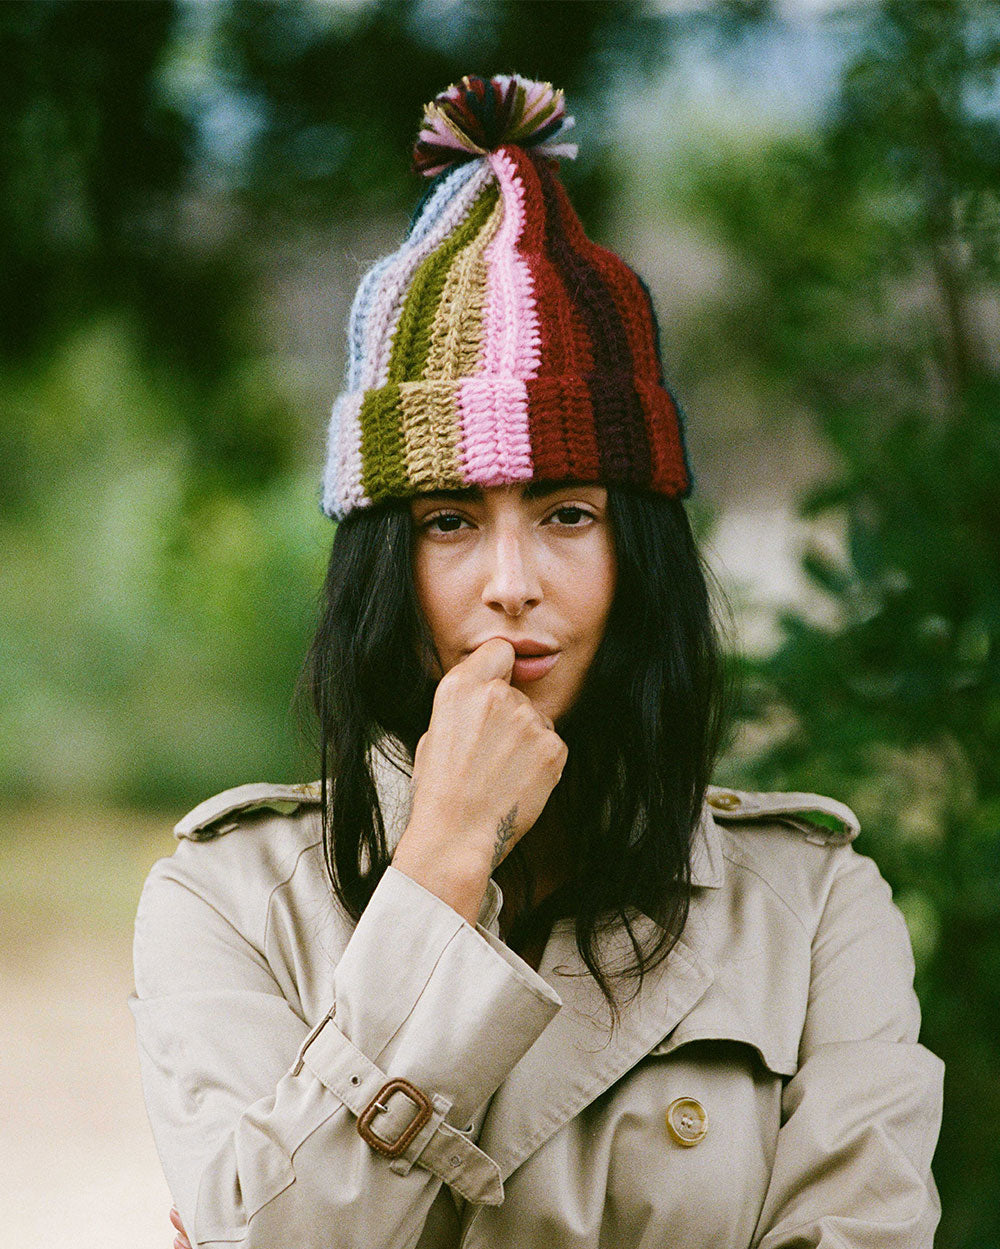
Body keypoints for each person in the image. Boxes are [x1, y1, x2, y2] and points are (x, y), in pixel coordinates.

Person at [129, 73, 944, 1249]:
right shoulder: (230, 899)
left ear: (638, 554)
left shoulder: (810, 908)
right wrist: (442, 866)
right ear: (383, 570)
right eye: (449, 523)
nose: (510, 582)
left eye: (567, 514)